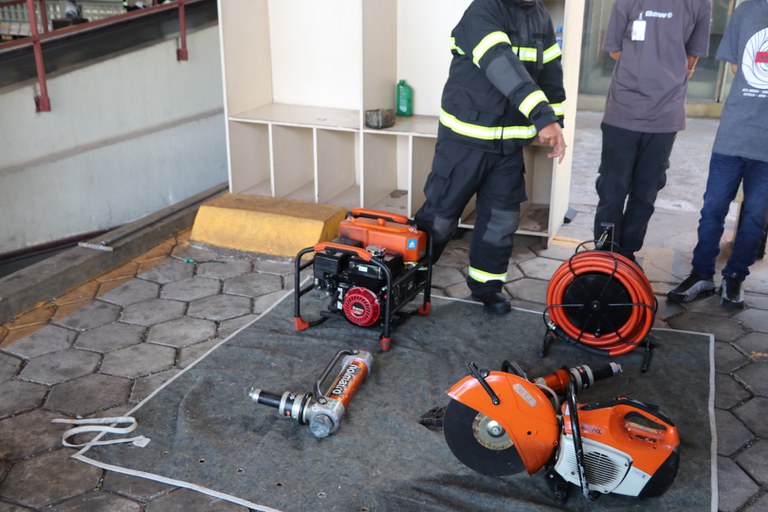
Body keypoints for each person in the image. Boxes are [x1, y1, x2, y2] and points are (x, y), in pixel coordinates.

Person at [414, 0, 567, 315]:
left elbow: (551, 73)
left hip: (508, 146)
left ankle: (487, 288)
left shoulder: (540, 16)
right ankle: (407, 275)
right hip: (465, 141)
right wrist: (542, 117)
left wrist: (555, 121)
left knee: (501, 220)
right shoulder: (484, 10)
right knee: (441, 216)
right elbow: (501, 64)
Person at [592, 0, 712, 263]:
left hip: (665, 115)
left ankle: (627, 255)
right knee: (612, 188)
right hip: (624, 111)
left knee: (646, 191)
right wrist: (648, 68)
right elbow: (614, 49)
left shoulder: (700, 3)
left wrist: (652, 67)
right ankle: (604, 254)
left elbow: (693, 55)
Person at [667, 0, 768, 309]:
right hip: (733, 134)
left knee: (756, 216)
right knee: (713, 208)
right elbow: (738, 66)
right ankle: (701, 275)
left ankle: (735, 277)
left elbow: (741, 68)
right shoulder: (746, 11)